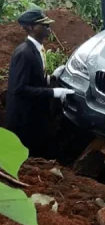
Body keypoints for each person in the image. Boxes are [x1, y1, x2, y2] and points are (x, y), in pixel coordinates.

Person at [5, 10, 74, 158]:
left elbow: (32, 79)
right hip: (24, 119)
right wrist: (53, 92)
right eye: (44, 25)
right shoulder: (24, 53)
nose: (49, 28)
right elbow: (19, 89)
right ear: (30, 28)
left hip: (35, 116)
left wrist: (51, 78)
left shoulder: (37, 49)